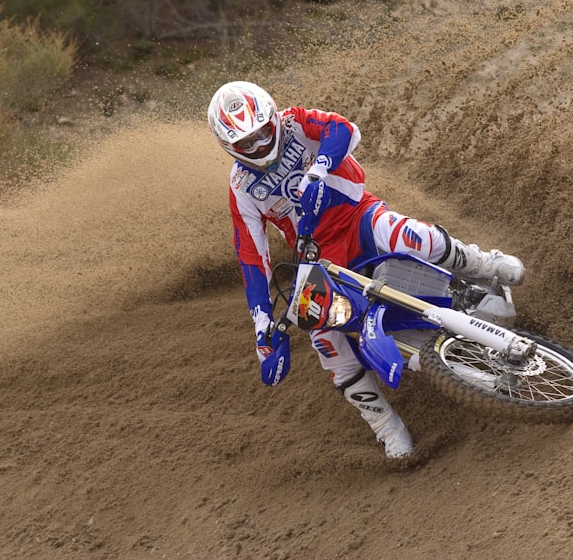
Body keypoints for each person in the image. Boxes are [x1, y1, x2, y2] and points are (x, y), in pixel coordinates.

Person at [207, 81, 525, 459]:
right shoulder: (241, 187)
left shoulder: (295, 123)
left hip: (357, 215)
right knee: (324, 337)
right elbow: (251, 257)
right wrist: (262, 330)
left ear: (272, 117)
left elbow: (343, 128)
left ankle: (484, 264)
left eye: (262, 132)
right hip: (318, 254)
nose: (260, 145)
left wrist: (319, 168)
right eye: (247, 142)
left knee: (411, 236)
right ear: (229, 146)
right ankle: (387, 427)